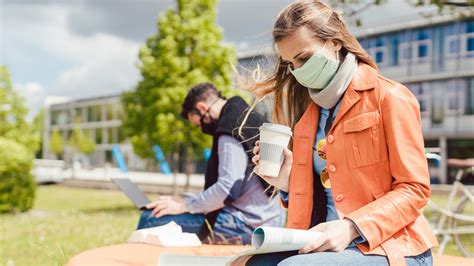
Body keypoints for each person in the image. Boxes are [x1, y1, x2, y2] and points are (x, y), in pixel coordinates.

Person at [248, 0, 438, 265]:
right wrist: (286, 183)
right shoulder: (307, 119)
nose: (299, 71)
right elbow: (317, 202)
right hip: (323, 244)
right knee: (255, 263)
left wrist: (351, 226)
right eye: (291, 63)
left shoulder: (391, 97)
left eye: (304, 57)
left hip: (390, 246)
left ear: (335, 42)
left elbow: (415, 189)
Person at [136, 83, 283, 245]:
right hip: (266, 218)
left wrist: (185, 205)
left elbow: (228, 189)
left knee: (150, 218)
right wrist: (185, 200)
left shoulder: (229, 129)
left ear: (201, 107)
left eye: (199, 124)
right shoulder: (247, 116)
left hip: (243, 225)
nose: (202, 128)